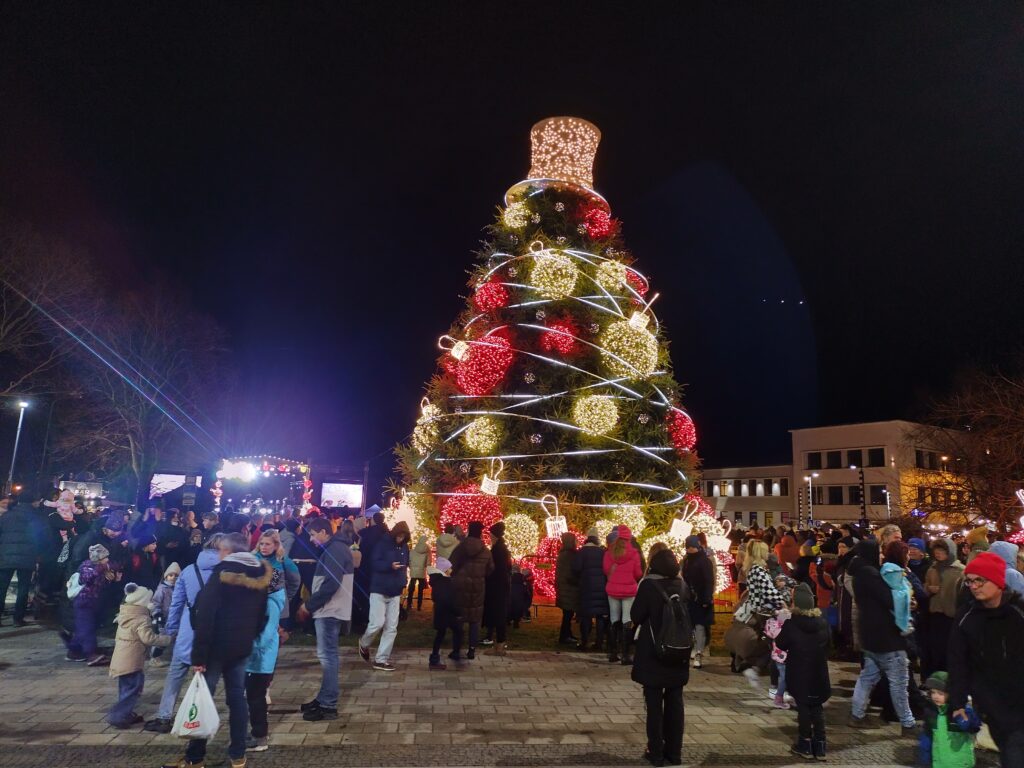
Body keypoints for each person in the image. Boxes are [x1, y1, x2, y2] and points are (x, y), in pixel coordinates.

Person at [161, 532, 272, 768]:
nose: (219, 553)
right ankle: (238, 755)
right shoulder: (261, 575)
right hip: (241, 648)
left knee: (203, 699)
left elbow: (206, 616)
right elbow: (263, 615)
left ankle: (195, 757)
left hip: (215, 648)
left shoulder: (221, 574)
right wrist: (248, 637)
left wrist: (198, 655)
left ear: (230, 552)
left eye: (222, 549)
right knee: (237, 699)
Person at [949, 551, 1024, 765]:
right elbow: (958, 661)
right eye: (970, 581)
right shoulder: (966, 617)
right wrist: (958, 702)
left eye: (979, 580)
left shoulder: (1018, 613)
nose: (973, 586)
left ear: (997, 582)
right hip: (992, 705)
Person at [145, 533, 225, 732]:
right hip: (216, 633)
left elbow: (176, 604)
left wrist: (171, 630)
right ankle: (200, 717)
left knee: (175, 675)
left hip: (188, 631)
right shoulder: (229, 573)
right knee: (210, 678)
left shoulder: (189, 571)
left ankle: (164, 717)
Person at [848, 538, 917, 735]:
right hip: (886, 637)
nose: (880, 555)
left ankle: (856, 715)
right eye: (878, 551)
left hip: (869, 635)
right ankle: (908, 723)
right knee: (899, 682)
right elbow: (888, 599)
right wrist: (905, 599)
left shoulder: (859, 573)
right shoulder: (870, 574)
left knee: (867, 678)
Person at [630, 547, 690, 768]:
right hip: (678, 650)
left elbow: (636, 615)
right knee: (675, 702)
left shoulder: (649, 586)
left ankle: (655, 752)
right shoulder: (682, 586)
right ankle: (674, 753)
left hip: (654, 651)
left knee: (654, 705)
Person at [295, 517, 354, 722]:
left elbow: (331, 584)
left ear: (323, 532)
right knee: (328, 656)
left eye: (312, 535)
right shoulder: (334, 548)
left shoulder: (335, 549)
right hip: (329, 609)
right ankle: (323, 698)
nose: (311, 540)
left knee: (328, 657)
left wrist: (309, 605)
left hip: (330, 610)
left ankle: (328, 704)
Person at [775, 583, 832, 761]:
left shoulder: (792, 624)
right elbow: (830, 645)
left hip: (799, 671)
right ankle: (821, 745)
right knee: (817, 706)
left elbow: (781, 643)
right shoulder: (822, 622)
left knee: (804, 707)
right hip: (818, 671)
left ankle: (805, 743)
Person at [106, 583, 172, 728]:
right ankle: (118, 716)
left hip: (120, 660)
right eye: (149, 601)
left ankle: (127, 714)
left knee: (125, 688)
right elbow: (148, 638)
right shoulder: (141, 619)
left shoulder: (124, 614)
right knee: (133, 688)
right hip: (131, 660)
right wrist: (168, 639)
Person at [358, 520, 410, 671]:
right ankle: (364, 643)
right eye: (399, 536)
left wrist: (403, 582)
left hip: (395, 591)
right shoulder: (382, 544)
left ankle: (381, 659)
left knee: (391, 627)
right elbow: (374, 563)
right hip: (379, 589)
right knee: (377, 623)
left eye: (403, 537)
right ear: (395, 533)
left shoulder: (404, 547)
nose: (400, 539)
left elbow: (405, 565)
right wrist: (389, 566)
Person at [244, 568, 287, 753]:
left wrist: (248, 648)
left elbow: (266, 634)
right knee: (254, 697)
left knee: (255, 699)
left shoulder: (270, 604)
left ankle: (259, 737)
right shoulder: (269, 600)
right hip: (258, 659)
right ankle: (256, 734)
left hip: (260, 660)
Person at [66, 543, 118, 665]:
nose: (107, 560)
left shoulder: (103, 568)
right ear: (98, 558)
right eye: (105, 557)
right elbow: (86, 578)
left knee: (83, 628)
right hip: (83, 602)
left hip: (92, 602)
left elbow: (100, 584)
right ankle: (91, 654)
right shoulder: (86, 566)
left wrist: (111, 578)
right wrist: (101, 569)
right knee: (87, 628)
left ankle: (74, 651)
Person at [0, 489, 45, 626]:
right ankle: (18, 619)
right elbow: (41, 537)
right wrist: (39, 554)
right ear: (33, 501)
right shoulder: (36, 516)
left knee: (2, 587)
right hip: (27, 556)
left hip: (5, 555)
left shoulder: (7, 516)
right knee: (23, 588)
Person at [450, 520, 493, 660]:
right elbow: (490, 569)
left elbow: (451, 564)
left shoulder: (460, 548)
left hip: (460, 588)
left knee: (459, 618)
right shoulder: (486, 551)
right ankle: (472, 650)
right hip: (477, 589)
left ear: (468, 531)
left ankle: (456, 649)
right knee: (474, 620)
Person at [923, 538, 964, 680]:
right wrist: (929, 589)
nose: (938, 554)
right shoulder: (932, 569)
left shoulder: (960, 571)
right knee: (935, 649)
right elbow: (925, 588)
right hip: (935, 614)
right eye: (936, 551)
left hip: (951, 615)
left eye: (942, 551)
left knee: (949, 649)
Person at [919, 671, 979, 768]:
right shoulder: (931, 712)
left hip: (960, 764)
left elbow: (974, 727)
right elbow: (927, 735)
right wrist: (925, 758)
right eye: (933, 692)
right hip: (938, 763)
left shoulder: (960, 710)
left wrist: (965, 719)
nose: (935, 696)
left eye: (940, 693)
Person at [604, 525, 642, 664]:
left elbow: (606, 569)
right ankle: (625, 654)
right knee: (627, 620)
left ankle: (612, 653)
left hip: (612, 589)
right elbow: (638, 573)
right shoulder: (634, 553)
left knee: (614, 619)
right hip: (629, 590)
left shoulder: (609, 552)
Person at [681, 535, 714, 669]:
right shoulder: (686, 560)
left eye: (692, 547)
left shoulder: (704, 561)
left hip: (700, 598)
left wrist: (706, 598)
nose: (690, 550)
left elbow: (708, 580)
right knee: (690, 625)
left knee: (700, 626)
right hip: (689, 598)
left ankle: (699, 652)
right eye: (688, 547)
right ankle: (692, 649)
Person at [253, 529, 301, 622]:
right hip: (256, 609)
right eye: (261, 543)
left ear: (275, 545)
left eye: (267, 544)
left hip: (278, 609)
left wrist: (287, 597)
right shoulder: (252, 559)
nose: (263, 547)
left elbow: (295, 581)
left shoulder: (284, 561)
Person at [574, 526, 609, 652]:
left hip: (586, 586)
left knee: (586, 615)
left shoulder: (581, 552)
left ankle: (584, 641)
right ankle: (599, 642)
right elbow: (606, 569)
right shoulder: (602, 552)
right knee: (600, 615)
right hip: (600, 586)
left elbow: (577, 568)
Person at [427, 556, 463, 670]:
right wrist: (457, 611)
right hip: (447, 613)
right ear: (445, 570)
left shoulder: (437, 581)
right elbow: (449, 599)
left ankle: (436, 657)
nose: (451, 570)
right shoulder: (445, 582)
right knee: (456, 631)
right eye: (450, 568)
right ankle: (436, 658)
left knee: (443, 634)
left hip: (441, 612)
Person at [482, 521, 512, 655]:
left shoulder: (498, 550)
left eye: (491, 535)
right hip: (500, 586)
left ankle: (499, 645)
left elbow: (495, 569)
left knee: (498, 614)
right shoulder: (501, 548)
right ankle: (498, 643)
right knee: (498, 614)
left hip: (497, 587)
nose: (490, 537)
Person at [555, 531, 580, 646]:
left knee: (568, 614)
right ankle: (564, 636)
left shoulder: (563, 554)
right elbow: (570, 573)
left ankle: (567, 634)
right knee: (568, 614)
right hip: (569, 589)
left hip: (564, 588)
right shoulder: (570, 555)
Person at [407, 533, 430, 611]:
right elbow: (428, 563)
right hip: (421, 572)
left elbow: (409, 561)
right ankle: (419, 606)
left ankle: (409, 604)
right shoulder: (427, 550)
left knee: (411, 588)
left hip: (413, 571)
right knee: (420, 590)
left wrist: (411, 568)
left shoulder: (412, 551)